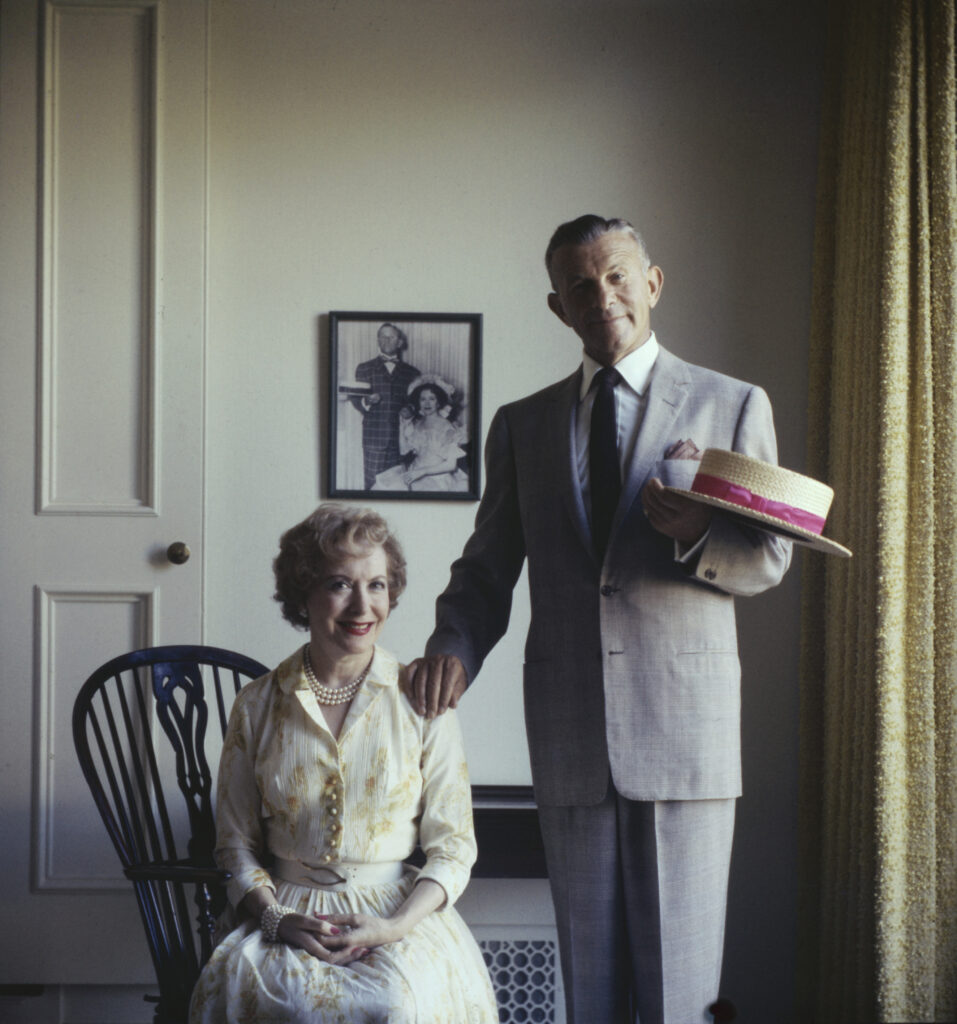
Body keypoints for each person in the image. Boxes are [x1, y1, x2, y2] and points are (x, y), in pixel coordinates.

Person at [408, 215, 793, 1024]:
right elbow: (486, 567)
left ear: (651, 283)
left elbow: (769, 560)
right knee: (588, 988)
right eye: (581, 286)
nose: (602, 296)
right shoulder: (522, 424)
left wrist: (696, 536)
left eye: (617, 275)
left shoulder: (731, 403)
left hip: (684, 734)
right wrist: (451, 643)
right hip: (570, 734)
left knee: (681, 995)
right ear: (558, 308)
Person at [189, 504, 498, 1023]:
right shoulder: (258, 704)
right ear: (303, 594)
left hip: (395, 916)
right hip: (282, 913)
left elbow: (454, 848)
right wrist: (277, 920)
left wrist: (393, 928)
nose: (363, 606)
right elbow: (235, 844)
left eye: (377, 585)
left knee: (395, 1005)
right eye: (339, 584)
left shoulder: (422, 700)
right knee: (288, 1003)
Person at [352, 323, 421, 489]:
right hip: (374, 438)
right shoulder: (364, 368)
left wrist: (410, 411)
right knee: (372, 485)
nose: (387, 340)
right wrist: (366, 402)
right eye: (383, 336)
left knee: (398, 485)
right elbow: (355, 399)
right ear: (377, 340)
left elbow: (416, 403)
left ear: (400, 343)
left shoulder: (412, 372)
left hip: (402, 441)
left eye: (391, 337)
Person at [372, 376, 470, 492]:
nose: (427, 403)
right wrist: (402, 425)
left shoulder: (447, 427)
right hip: (414, 471)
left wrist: (422, 472)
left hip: (435, 477)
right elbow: (404, 450)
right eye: (422, 399)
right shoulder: (418, 423)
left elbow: (451, 465)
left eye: (432, 399)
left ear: (439, 402)